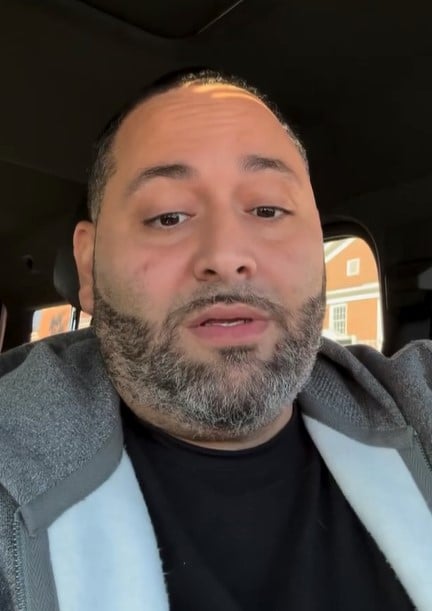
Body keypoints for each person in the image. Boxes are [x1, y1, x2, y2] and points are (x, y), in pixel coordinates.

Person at [0, 69, 431, 611]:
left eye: (268, 210)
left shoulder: (415, 401)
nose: (226, 255)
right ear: (88, 265)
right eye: (168, 216)